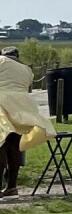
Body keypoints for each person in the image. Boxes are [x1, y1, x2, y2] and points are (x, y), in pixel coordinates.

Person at [0, 50, 50, 198]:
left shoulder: (1, 62)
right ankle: (11, 186)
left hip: (2, 103)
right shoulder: (25, 69)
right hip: (23, 106)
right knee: (14, 146)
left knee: (1, 145)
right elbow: (27, 85)